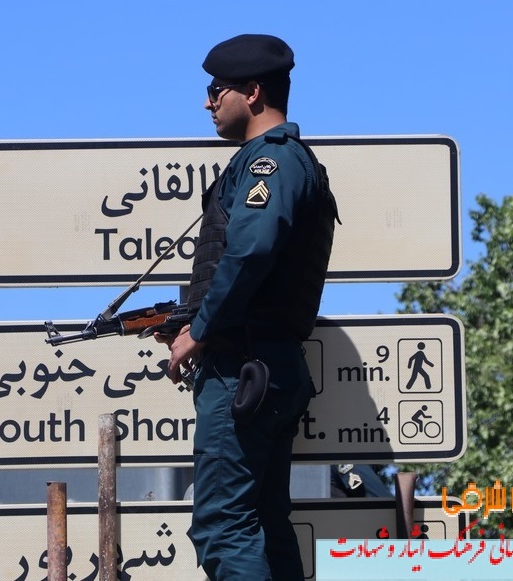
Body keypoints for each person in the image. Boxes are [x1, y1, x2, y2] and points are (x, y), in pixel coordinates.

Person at [155, 34, 339, 580]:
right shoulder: (282, 162)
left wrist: (200, 330)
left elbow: (252, 250)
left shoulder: (271, 161)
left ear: (253, 92)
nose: (207, 102)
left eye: (217, 90)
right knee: (264, 523)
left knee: (223, 526)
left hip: (244, 372)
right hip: (266, 367)